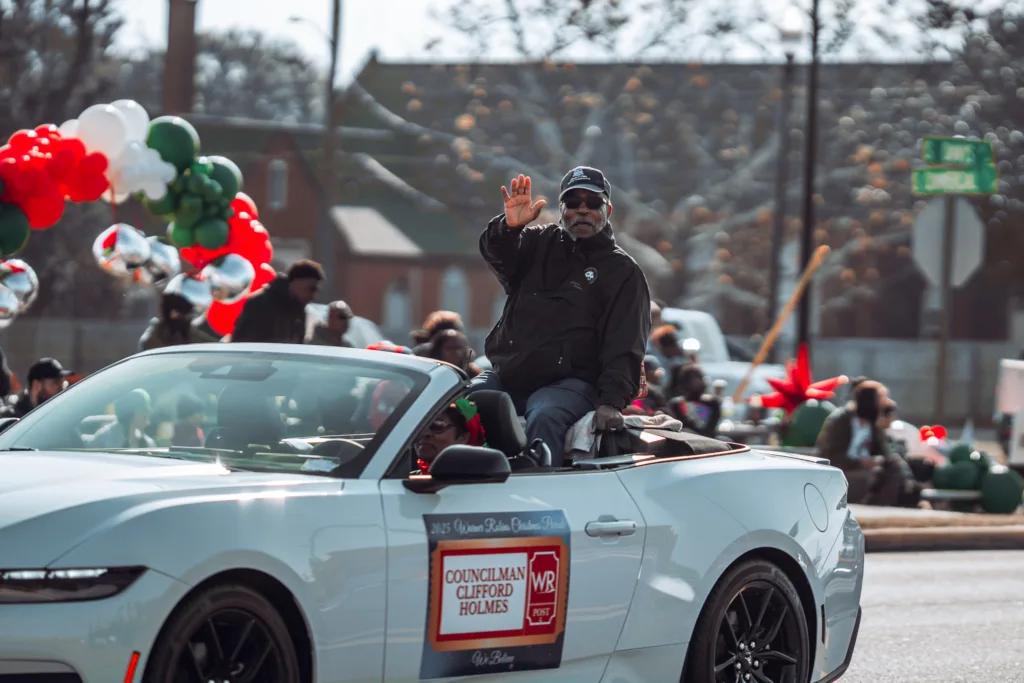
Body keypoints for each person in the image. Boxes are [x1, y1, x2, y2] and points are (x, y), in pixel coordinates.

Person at [473, 169, 651, 462]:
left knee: (544, 416)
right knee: (459, 405)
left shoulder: (623, 272)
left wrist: (611, 402)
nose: (583, 210)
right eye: (573, 202)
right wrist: (508, 227)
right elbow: (498, 256)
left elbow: (626, 344)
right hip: (509, 375)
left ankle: (541, 499)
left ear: (607, 210)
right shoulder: (535, 243)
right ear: (562, 209)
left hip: (569, 384)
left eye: (592, 203)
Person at [231, 260, 323, 344]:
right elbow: (242, 341)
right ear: (296, 282)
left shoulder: (298, 308)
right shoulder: (261, 304)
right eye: (311, 289)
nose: (313, 295)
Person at [412, 397, 487, 474]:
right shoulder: (408, 479)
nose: (424, 433)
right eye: (419, 427)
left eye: (437, 426)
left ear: (463, 438)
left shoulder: (475, 481)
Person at [665, 364, 722, 438]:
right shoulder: (675, 404)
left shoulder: (713, 403)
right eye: (694, 378)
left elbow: (712, 426)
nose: (699, 381)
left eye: (700, 377)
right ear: (685, 382)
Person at [5, 357, 73, 418]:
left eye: (63, 382)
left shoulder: (64, 414)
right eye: (56, 383)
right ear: (36, 385)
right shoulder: (12, 418)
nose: (62, 389)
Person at [90, 389, 157, 449]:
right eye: (143, 408)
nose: (149, 410)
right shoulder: (103, 439)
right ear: (129, 413)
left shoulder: (147, 443)